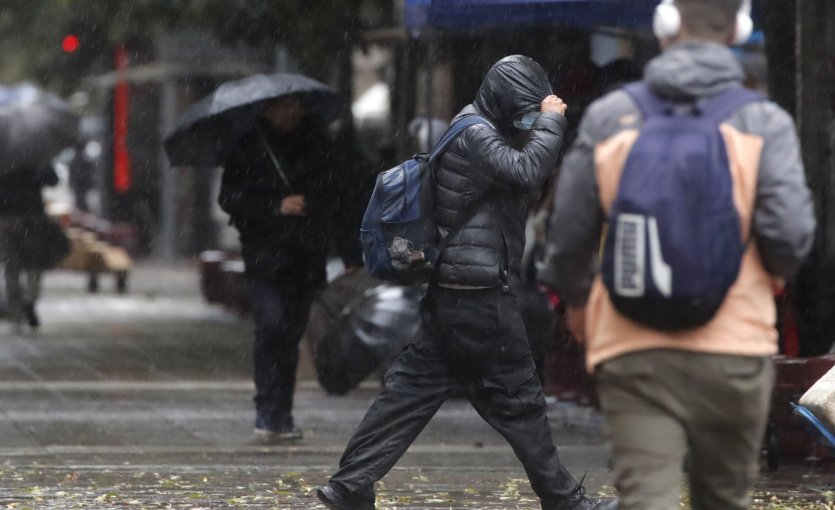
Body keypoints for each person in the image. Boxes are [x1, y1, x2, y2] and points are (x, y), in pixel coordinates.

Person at [540, 1, 816, 509]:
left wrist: (579, 303)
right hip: (735, 349)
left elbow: (567, 236)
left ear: (665, 25)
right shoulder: (763, 122)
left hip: (631, 346)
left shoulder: (610, 117)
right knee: (723, 499)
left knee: (647, 497)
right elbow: (790, 240)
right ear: (739, 27)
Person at [316, 55, 611, 510]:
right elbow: (527, 170)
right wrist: (551, 122)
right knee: (520, 403)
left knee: (408, 395)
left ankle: (348, 486)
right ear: (504, 99)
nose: (530, 115)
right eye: (525, 107)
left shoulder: (477, 127)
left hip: (456, 292)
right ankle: (564, 500)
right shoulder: (476, 133)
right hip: (480, 296)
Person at [218, 96, 364, 440]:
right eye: (280, 107)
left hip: (306, 256)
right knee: (271, 326)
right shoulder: (249, 146)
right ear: (267, 110)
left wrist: (349, 252)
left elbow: (338, 200)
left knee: (291, 333)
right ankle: (267, 408)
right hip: (265, 256)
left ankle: (282, 410)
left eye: (294, 107)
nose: (288, 114)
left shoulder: (319, 146)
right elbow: (231, 198)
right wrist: (274, 205)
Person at [0, 164, 64, 333]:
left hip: (6, 216)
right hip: (32, 215)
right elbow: (53, 180)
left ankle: (16, 310)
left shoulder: (5, 153)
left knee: (11, 265)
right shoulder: (35, 154)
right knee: (34, 262)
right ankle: (30, 300)